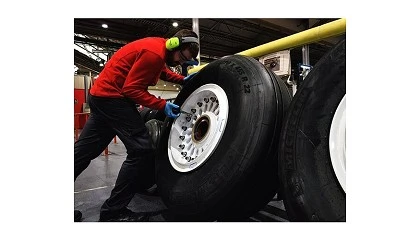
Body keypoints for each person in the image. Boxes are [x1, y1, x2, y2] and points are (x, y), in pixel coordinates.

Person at [74, 29, 199, 222]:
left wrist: (181, 80)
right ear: (174, 44)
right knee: (141, 150)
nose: (180, 63)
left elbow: (160, 70)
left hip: (100, 96)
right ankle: (113, 211)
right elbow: (131, 89)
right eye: (182, 58)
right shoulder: (154, 53)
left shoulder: (158, 48)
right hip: (113, 99)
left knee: (82, 153)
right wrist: (162, 105)